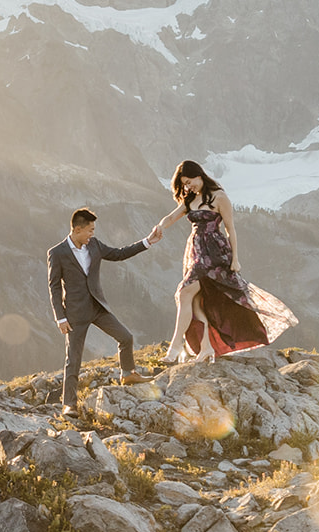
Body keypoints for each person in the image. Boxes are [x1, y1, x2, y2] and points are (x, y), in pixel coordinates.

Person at [150, 161, 296, 362]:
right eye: (184, 184)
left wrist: (235, 259)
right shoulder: (190, 199)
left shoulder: (220, 197)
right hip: (196, 251)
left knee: (185, 293)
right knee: (196, 301)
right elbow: (171, 216)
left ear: (199, 176)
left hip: (215, 252)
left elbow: (230, 229)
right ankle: (206, 348)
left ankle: (174, 348)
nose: (188, 187)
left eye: (189, 181)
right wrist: (159, 227)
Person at [47, 207, 159, 414]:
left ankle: (127, 373)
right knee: (73, 359)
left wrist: (147, 241)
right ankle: (69, 404)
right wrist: (60, 317)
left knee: (126, 337)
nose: (92, 234)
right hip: (75, 314)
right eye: (90, 230)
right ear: (77, 229)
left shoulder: (95, 245)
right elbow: (53, 287)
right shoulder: (57, 253)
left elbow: (118, 254)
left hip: (97, 307)